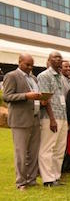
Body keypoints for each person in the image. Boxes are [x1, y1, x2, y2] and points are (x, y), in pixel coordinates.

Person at [3, 54, 42, 190]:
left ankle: (31, 179)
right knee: (21, 153)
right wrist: (26, 95)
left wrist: (41, 99)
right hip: (20, 121)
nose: (30, 68)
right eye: (27, 65)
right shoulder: (11, 76)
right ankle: (21, 182)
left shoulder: (34, 78)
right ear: (19, 62)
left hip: (35, 119)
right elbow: (7, 96)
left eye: (32, 65)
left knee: (33, 152)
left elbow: (36, 96)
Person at [37, 52, 70, 187]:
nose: (58, 59)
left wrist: (66, 120)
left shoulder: (61, 78)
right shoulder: (44, 76)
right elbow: (45, 99)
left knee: (59, 149)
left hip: (63, 116)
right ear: (49, 60)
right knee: (48, 148)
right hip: (50, 118)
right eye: (55, 57)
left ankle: (56, 176)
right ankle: (48, 179)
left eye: (60, 58)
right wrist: (52, 119)